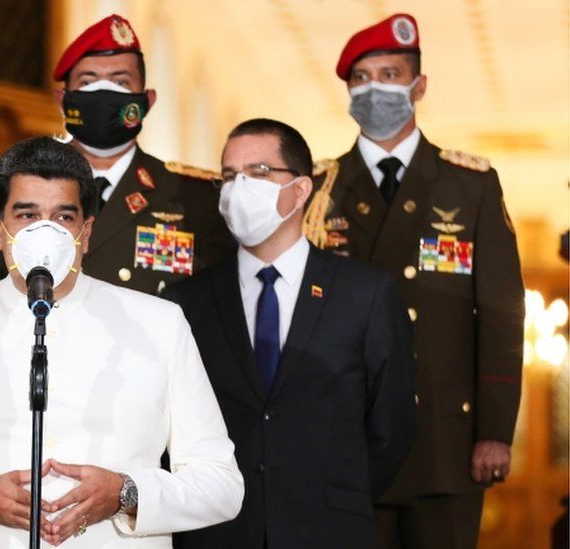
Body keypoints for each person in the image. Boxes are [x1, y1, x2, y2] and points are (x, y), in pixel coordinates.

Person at [0, 137, 244, 548]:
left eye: (63, 216)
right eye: (27, 215)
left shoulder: (159, 325)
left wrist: (126, 494)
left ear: (86, 232)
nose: (46, 230)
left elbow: (222, 486)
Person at [301, 14, 524, 548]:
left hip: (445, 441)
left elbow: (500, 311)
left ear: (418, 86)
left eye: (390, 74)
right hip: (344, 437)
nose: (374, 89)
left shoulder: (468, 185)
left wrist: (493, 431)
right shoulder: (317, 188)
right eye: (361, 78)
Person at [165, 119, 416, 548]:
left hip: (329, 529)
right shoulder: (185, 302)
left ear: (301, 190)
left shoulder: (365, 293)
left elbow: (390, 430)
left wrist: (331, 494)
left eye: (259, 172)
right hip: (217, 534)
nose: (239, 187)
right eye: (229, 176)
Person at [0, 14, 235, 297]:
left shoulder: (197, 201)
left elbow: (215, 310)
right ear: (63, 100)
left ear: (147, 100)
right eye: (88, 82)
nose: (103, 93)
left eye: (120, 82)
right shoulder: (8, 192)